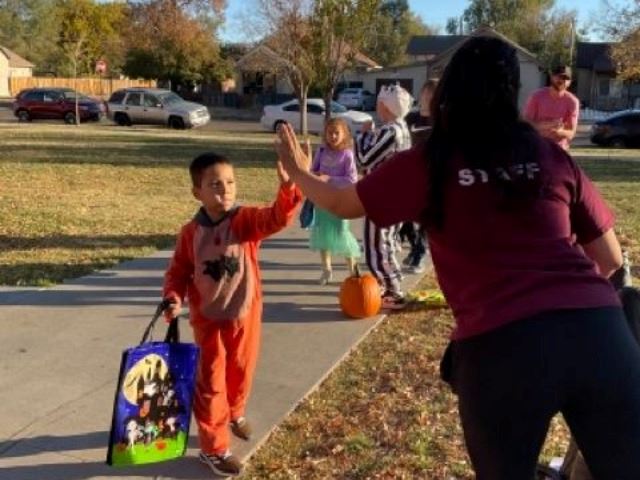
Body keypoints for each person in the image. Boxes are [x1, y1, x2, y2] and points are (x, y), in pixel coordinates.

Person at [275, 36, 640, 480]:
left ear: (448, 91)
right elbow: (608, 257)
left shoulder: (430, 161)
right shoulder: (548, 156)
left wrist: (297, 172)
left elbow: (341, 202)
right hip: (599, 333)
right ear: (513, 94)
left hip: (502, 346)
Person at [162, 152, 301, 477]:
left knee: (241, 370)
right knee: (210, 384)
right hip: (208, 321)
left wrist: (289, 187)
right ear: (197, 192)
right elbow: (178, 271)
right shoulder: (190, 233)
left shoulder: (244, 220)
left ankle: (235, 412)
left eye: (230, 182)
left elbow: (277, 218)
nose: (225, 190)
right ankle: (213, 448)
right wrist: (172, 297)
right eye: (215, 184)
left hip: (245, 315)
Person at [354, 84, 413, 309]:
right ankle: (391, 284)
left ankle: (393, 290)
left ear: (386, 106)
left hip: (383, 195)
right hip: (394, 194)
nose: (377, 106)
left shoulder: (391, 131)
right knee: (385, 243)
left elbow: (365, 159)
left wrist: (362, 135)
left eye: (380, 102)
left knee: (376, 245)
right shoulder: (400, 127)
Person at [309, 118, 361, 285]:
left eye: (336, 132)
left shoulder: (347, 154)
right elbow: (313, 171)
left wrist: (329, 178)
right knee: (323, 234)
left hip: (340, 201)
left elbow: (351, 179)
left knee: (342, 233)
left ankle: (353, 271)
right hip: (322, 200)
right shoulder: (322, 151)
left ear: (344, 134)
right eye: (329, 132)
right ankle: (326, 269)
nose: (332, 136)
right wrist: (314, 175)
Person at [400, 79, 439, 273]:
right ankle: (414, 245)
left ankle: (420, 252)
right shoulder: (411, 119)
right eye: (425, 93)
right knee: (405, 215)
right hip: (410, 173)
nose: (427, 98)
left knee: (424, 216)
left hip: (432, 175)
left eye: (432, 95)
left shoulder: (441, 120)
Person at [523, 65, 580, 150]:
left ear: (570, 82)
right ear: (552, 77)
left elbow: (571, 133)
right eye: (559, 76)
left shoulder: (572, 102)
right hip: (536, 146)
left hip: (559, 149)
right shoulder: (537, 96)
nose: (561, 80)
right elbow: (525, 124)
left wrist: (559, 132)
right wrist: (546, 126)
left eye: (565, 78)